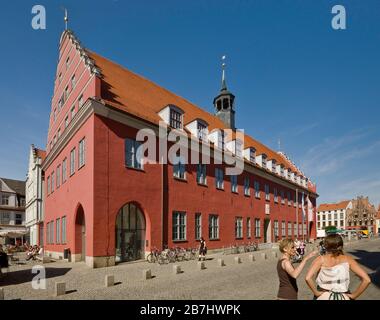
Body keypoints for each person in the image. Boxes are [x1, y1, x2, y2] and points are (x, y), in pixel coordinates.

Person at [305, 233, 371, 300]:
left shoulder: (320, 259)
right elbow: (367, 280)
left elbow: (308, 278)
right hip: (343, 296)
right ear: (341, 245)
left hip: (323, 295)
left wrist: (316, 293)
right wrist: (354, 295)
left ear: (326, 246)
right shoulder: (348, 259)